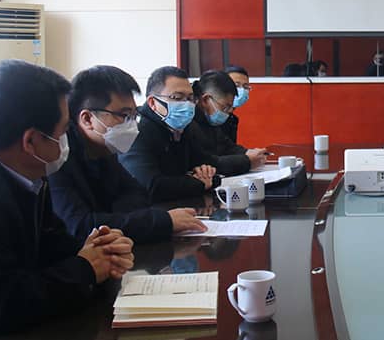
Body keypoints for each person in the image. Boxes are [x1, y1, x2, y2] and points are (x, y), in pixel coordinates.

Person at [0, 60, 134, 340]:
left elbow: (54, 244)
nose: (67, 142)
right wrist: (86, 268)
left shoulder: (22, 174)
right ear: (31, 141)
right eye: (62, 133)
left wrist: (101, 250)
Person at [49, 65, 206, 243]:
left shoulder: (104, 149)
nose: (131, 125)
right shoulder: (56, 156)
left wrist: (112, 218)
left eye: (133, 115)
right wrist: (162, 221)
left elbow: (138, 194)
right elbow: (80, 226)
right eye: (124, 115)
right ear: (87, 119)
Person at [118, 66, 217, 203]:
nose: (186, 104)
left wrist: (207, 173)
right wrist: (199, 184)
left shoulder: (184, 127)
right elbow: (152, 185)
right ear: (153, 103)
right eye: (177, 97)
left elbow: (204, 163)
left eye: (190, 98)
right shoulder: (135, 131)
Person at [191, 70, 267, 176]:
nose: (230, 111)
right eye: (226, 107)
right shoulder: (188, 123)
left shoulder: (210, 121)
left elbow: (227, 146)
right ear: (206, 100)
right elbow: (206, 161)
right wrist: (247, 161)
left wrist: (248, 152)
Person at [223, 65, 251, 144]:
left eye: (245, 86)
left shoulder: (232, 119)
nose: (242, 90)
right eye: (236, 85)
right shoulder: (214, 118)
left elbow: (229, 147)